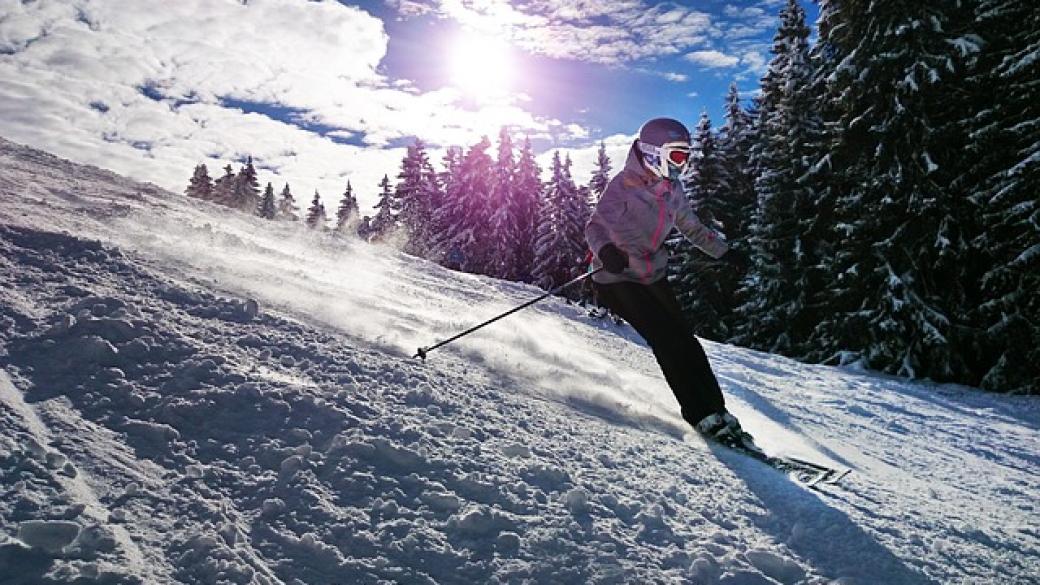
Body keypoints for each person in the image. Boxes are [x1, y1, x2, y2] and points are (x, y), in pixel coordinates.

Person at [585, 117, 750, 446]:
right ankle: (699, 414)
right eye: (676, 156)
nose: (682, 164)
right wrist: (606, 250)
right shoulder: (623, 184)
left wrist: (724, 252)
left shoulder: (673, 190)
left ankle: (718, 411)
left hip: (650, 273)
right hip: (616, 276)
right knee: (666, 338)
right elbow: (594, 227)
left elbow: (691, 227)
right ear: (651, 152)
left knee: (686, 339)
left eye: (685, 157)